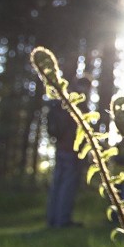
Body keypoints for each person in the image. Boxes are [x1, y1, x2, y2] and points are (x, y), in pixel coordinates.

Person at [46, 77, 91, 228]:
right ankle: (62, 220)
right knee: (68, 184)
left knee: (58, 183)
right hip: (71, 149)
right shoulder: (78, 101)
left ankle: (53, 219)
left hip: (60, 148)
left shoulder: (62, 99)